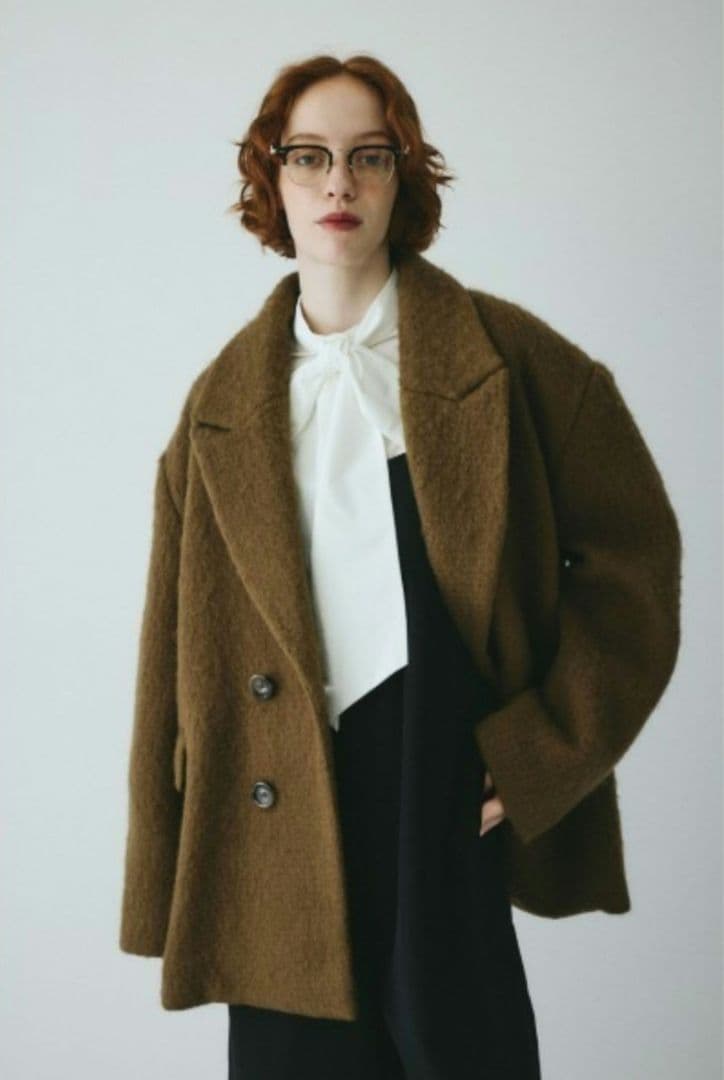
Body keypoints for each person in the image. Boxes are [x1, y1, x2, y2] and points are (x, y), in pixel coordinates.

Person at [118, 53, 682, 1080]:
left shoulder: (509, 360)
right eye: (309, 156)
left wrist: (542, 751)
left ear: (401, 176)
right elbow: (169, 656)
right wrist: (163, 871)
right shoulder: (219, 407)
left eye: (368, 156)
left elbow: (633, 562)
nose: (338, 183)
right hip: (275, 816)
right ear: (271, 178)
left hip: (438, 779)